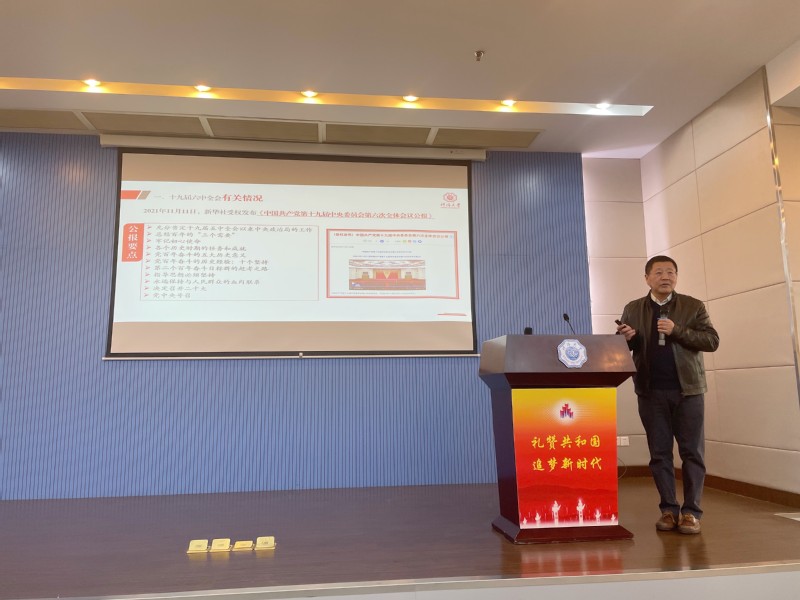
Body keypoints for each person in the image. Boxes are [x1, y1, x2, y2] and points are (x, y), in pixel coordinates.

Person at [616, 256, 719, 535]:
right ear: (647, 278)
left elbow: (712, 341)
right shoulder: (633, 308)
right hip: (650, 391)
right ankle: (669, 510)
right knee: (659, 453)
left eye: (671, 272)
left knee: (692, 452)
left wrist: (677, 330)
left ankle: (692, 512)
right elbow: (625, 348)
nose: (666, 277)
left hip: (688, 391)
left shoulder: (693, 306)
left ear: (676, 277)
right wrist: (626, 338)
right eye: (659, 272)